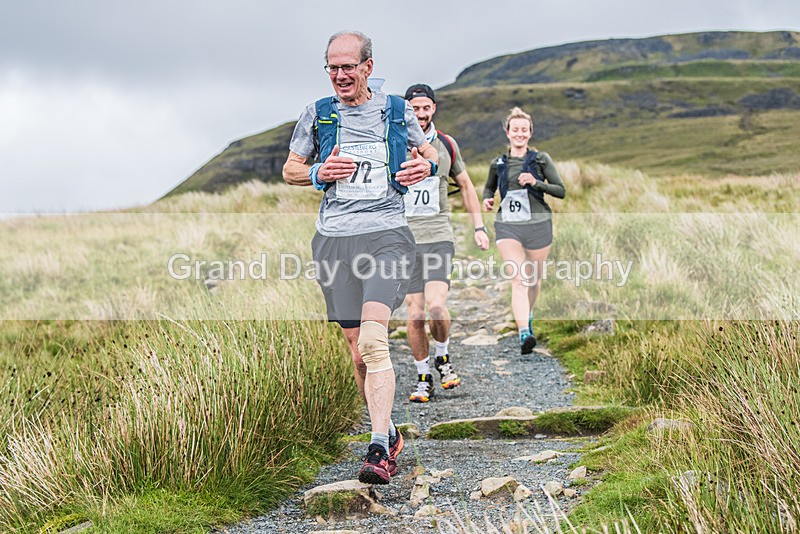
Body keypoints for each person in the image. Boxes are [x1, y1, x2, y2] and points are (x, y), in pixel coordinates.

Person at [282, 31, 439, 485]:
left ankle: (377, 451)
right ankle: (388, 432)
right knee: (357, 354)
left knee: (373, 341)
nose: (340, 75)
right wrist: (317, 171)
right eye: (332, 67)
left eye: (348, 66)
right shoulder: (318, 113)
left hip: (386, 234)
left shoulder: (396, 110)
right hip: (334, 240)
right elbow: (291, 169)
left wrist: (427, 165)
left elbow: (430, 152)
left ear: (368, 66)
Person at [402, 84, 490, 403]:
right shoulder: (394, 143)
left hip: (438, 236)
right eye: (415, 109)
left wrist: (478, 226)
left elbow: (465, 186)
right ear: (407, 110)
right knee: (415, 315)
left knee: (437, 306)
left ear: (434, 109)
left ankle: (442, 355)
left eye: (426, 108)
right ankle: (423, 377)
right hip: (403, 241)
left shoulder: (446, 144)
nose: (421, 114)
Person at [482, 107, 565, 354]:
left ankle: (527, 314)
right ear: (507, 133)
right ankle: (524, 333)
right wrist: (487, 199)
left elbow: (560, 190)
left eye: (524, 130)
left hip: (538, 225)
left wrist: (535, 182)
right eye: (515, 130)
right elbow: (489, 188)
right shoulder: (498, 163)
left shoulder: (541, 160)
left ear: (530, 133)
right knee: (519, 279)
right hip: (508, 226)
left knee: (534, 279)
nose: (519, 134)